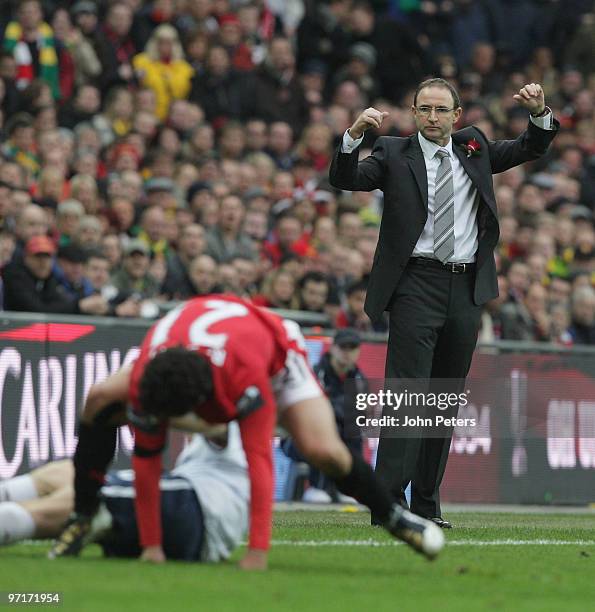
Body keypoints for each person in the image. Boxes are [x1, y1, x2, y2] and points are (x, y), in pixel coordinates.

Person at [50, 295, 444, 570]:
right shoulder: (145, 378)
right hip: (186, 346)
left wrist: (257, 551)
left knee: (323, 449)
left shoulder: (246, 380)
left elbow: (259, 460)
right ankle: (83, 514)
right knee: (100, 398)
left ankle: (391, 515)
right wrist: (151, 548)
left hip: (270, 348)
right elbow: (147, 459)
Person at [329, 77, 558, 528]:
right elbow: (346, 178)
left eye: (440, 110)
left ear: (457, 116)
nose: (432, 118)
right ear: (414, 114)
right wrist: (354, 136)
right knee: (407, 395)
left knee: (443, 399)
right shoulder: (394, 153)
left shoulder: (474, 147)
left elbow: (529, 147)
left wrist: (538, 113)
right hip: (415, 282)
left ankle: (427, 507)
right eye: (424, 109)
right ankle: (388, 504)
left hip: (466, 287)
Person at [1, 424, 249, 563]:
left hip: (202, 510)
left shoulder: (238, 406)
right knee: (66, 473)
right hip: (190, 495)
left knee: (87, 499)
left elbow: (215, 423)